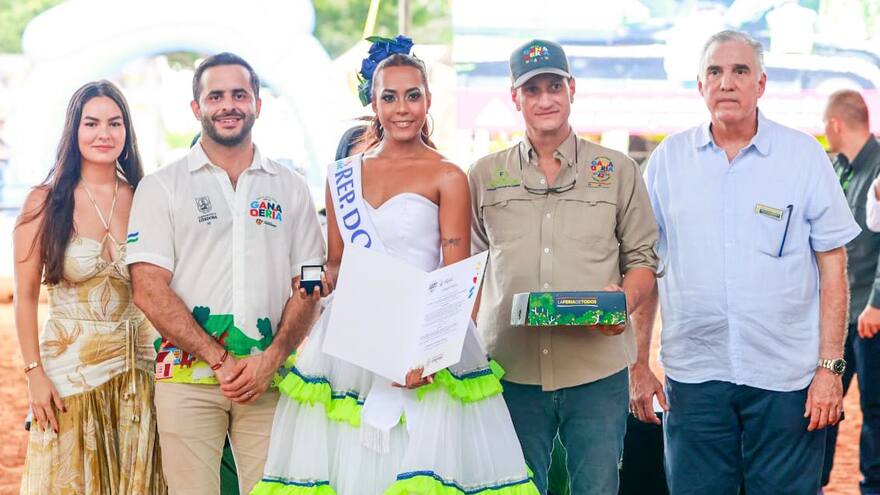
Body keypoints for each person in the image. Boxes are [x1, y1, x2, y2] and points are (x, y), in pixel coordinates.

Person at [254, 36, 538, 495]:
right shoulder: (342, 176)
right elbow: (336, 265)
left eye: (412, 95)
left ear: (428, 101)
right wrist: (315, 283)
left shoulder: (448, 175)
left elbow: (455, 277)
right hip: (354, 342)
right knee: (352, 469)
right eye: (389, 97)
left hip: (424, 339)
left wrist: (431, 356)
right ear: (374, 102)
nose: (402, 108)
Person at [641, 30, 859, 494]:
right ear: (700, 85)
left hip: (787, 378)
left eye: (740, 70)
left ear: (761, 83)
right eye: (715, 72)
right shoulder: (668, 161)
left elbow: (833, 265)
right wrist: (637, 362)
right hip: (695, 376)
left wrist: (830, 368)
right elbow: (643, 265)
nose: (727, 82)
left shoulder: (802, 156)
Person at [126, 52, 326, 495]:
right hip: (187, 380)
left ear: (258, 104)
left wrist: (272, 358)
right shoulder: (162, 186)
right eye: (215, 96)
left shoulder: (291, 186)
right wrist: (217, 359)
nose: (228, 105)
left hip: (268, 378)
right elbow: (148, 289)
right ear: (196, 107)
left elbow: (310, 283)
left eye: (239, 94)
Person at [468, 39, 659, 495]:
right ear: (515, 98)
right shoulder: (484, 176)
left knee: (596, 488)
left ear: (572, 89)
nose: (545, 100)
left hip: (596, 372)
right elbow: (468, 273)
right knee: (514, 488)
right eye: (532, 90)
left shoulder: (617, 170)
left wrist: (622, 303)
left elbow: (643, 261)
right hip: (510, 370)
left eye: (554, 86)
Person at [14, 80, 166, 494]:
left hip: (140, 374)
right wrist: (34, 375)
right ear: (74, 130)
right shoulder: (44, 202)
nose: (104, 134)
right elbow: (25, 298)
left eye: (115, 123)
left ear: (127, 131)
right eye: (92, 123)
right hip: (69, 375)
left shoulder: (147, 197)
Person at [822, 89, 880, 494]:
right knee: (822, 401)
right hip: (836, 313)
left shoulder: (877, 167)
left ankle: (873, 486)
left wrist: (877, 302)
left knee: (875, 409)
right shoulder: (835, 167)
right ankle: (814, 482)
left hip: (869, 316)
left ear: (835, 124)